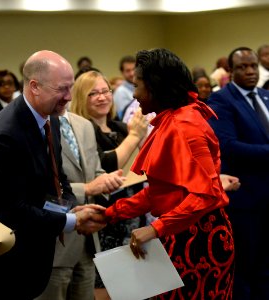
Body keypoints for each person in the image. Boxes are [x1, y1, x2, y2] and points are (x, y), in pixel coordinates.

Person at [0, 50, 107, 300]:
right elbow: (13, 211)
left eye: (71, 88)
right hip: (6, 268)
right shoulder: (3, 136)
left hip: (36, 257)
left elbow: (58, 179)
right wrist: (72, 222)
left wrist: (72, 209)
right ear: (34, 87)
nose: (68, 97)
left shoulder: (49, 119)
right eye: (62, 89)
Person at [98, 48, 235, 299]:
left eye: (137, 85)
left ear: (155, 86)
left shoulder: (186, 125)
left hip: (201, 239)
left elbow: (207, 194)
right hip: (182, 233)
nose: (135, 94)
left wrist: (155, 229)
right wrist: (109, 214)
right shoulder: (173, 119)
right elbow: (163, 192)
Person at [69, 70, 148, 300]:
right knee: (109, 291)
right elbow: (106, 166)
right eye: (93, 93)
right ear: (81, 98)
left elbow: (140, 165)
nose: (102, 97)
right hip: (106, 221)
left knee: (137, 289)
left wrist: (140, 138)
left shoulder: (120, 127)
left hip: (133, 215)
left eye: (105, 91)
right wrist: (134, 137)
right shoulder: (83, 131)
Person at [36, 106, 125, 300]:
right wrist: (86, 189)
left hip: (87, 240)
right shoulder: (34, 125)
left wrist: (107, 181)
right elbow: (36, 187)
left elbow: (94, 171)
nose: (65, 93)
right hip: (54, 242)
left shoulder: (84, 125)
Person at [207, 46, 269, 299]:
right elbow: (228, 145)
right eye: (243, 67)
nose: (250, 71)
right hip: (246, 197)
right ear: (230, 71)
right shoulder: (222, 100)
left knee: (267, 266)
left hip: (267, 195)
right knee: (246, 266)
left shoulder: (265, 95)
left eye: (253, 65)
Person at [112, 55, 136, 120]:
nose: (132, 73)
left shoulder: (141, 88)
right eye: (128, 70)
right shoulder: (120, 92)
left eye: (134, 69)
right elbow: (127, 119)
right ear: (122, 73)